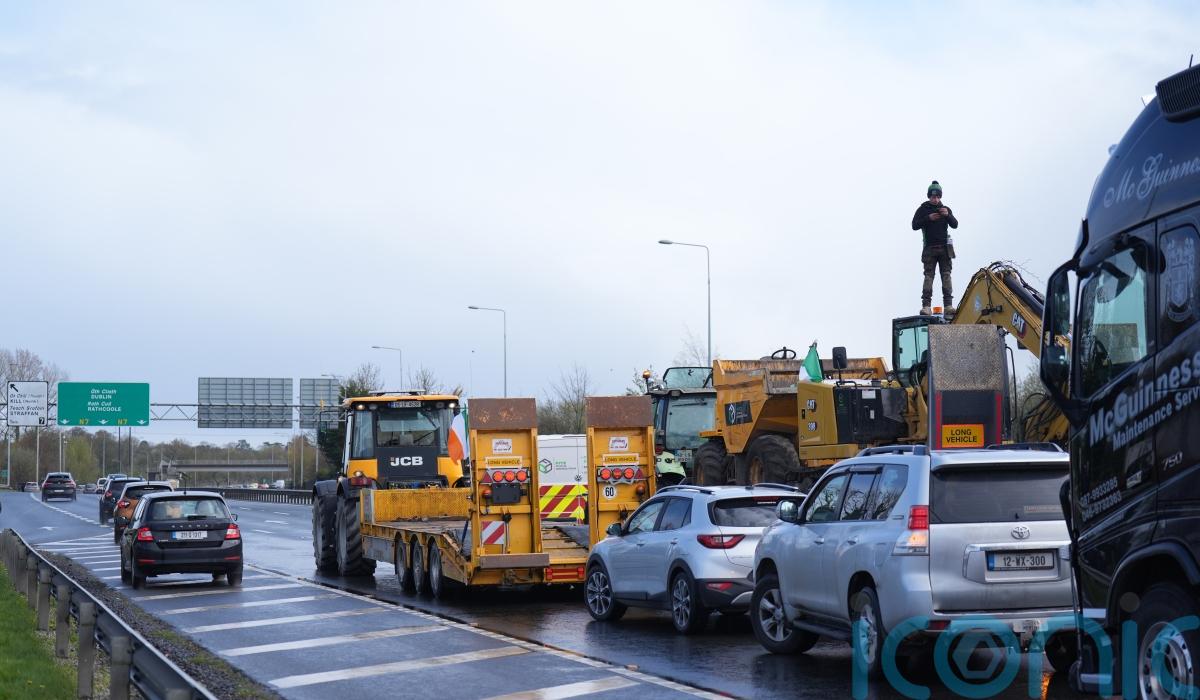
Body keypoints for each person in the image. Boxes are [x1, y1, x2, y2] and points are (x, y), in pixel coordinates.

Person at [911, 180, 959, 315]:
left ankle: (948, 306)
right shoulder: (923, 209)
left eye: (938, 196)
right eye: (933, 196)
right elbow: (914, 225)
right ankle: (926, 306)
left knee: (946, 275)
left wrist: (947, 215)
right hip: (929, 249)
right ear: (929, 196)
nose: (935, 199)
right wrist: (928, 218)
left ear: (940, 197)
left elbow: (955, 224)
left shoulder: (945, 209)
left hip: (945, 249)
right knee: (928, 276)